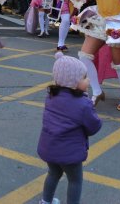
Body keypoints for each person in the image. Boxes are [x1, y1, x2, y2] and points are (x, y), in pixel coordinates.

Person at [37, 52, 102, 204]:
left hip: (49, 148)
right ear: (73, 82)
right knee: (75, 181)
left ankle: (46, 201)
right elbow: (94, 127)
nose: (88, 80)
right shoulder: (82, 104)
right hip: (69, 153)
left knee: (53, 173)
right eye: (85, 77)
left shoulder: (52, 96)